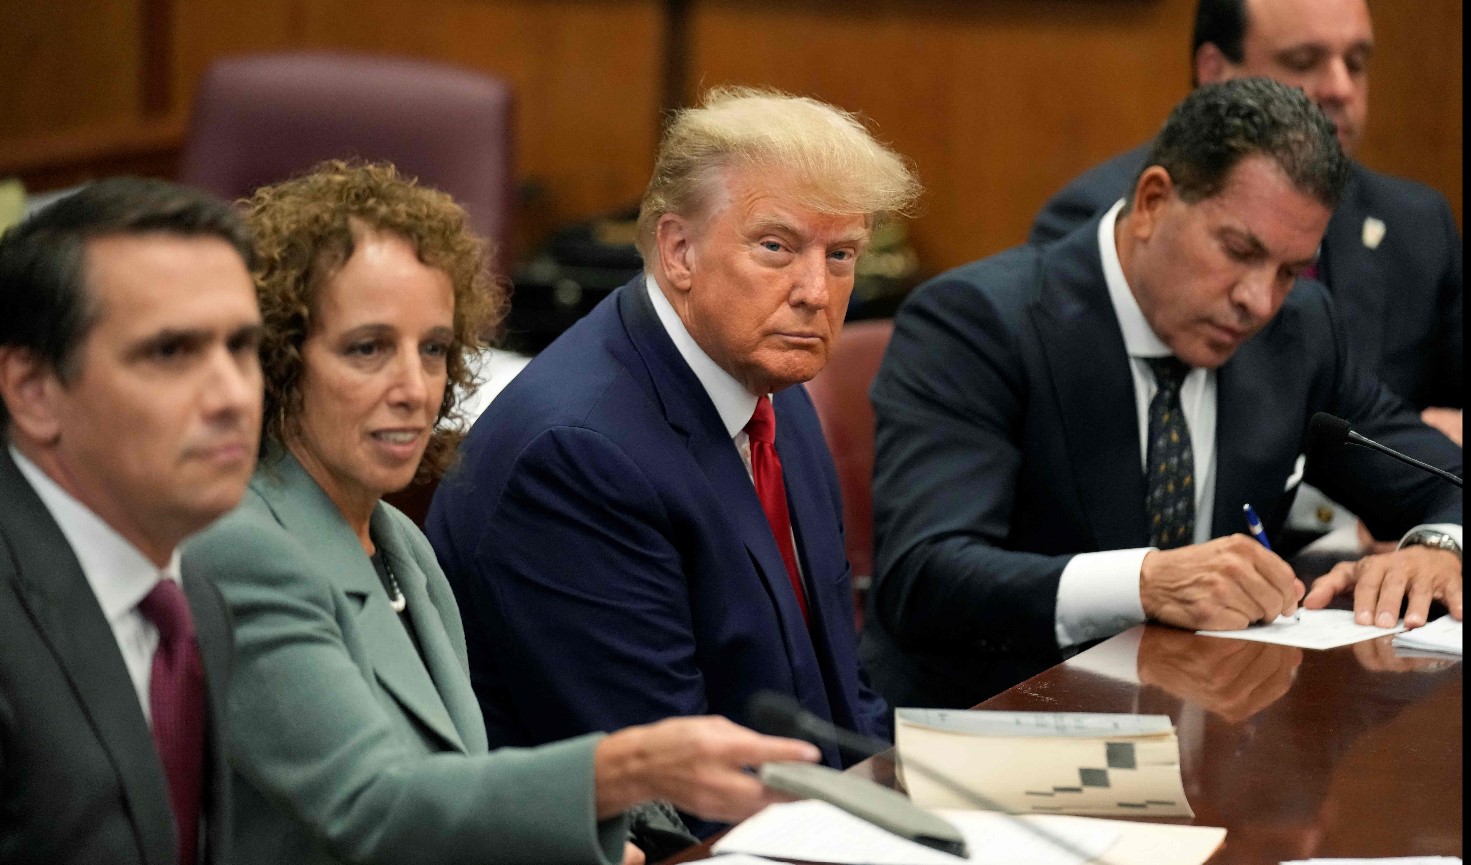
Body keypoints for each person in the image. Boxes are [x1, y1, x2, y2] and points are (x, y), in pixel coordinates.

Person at [182, 161, 819, 865]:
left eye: (432, 350)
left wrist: (600, 836)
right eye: (367, 348)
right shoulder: (242, 548)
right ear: (275, 358)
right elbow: (372, 808)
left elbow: (451, 795)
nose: (414, 389)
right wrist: (618, 773)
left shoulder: (400, 544)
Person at [861, 78, 1463, 710]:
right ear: (1151, 202)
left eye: (1289, 270)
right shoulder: (980, 323)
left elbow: (1441, 479)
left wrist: (1439, 547)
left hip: (1213, 735)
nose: (1258, 300)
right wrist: (1144, 582)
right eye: (1237, 251)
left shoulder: (1299, 331)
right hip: (1004, 732)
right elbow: (924, 576)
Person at [426, 87, 920, 822]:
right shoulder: (577, 458)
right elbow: (663, 798)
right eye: (776, 247)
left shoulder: (773, 384)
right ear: (678, 250)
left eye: (841, 254)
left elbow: (838, 697)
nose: (816, 291)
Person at [1030, 0, 1462, 448]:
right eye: (1303, 61)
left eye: (1355, 63)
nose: (1340, 88)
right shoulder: (1101, 225)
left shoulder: (1419, 226)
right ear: (1214, 71)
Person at [0, 177, 262, 864]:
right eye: (171, 352)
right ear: (33, 390)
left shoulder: (193, 601)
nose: (233, 395)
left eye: (241, 346)